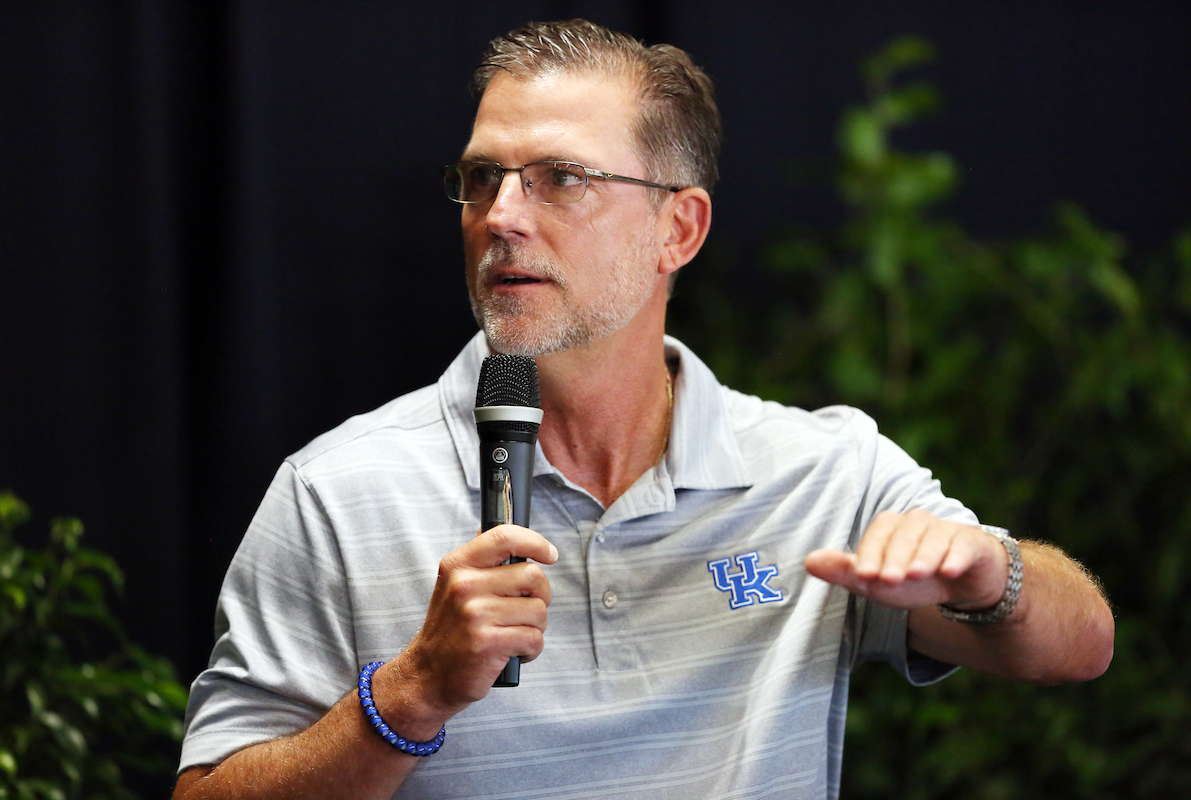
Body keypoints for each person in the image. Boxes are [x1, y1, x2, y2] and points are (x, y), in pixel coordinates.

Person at [172, 19, 1114, 800]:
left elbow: (1080, 648)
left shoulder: (823, 475)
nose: (500, 215)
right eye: (482, 177)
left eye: (560, 178)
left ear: (680, 228)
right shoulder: (336, 493)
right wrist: (412, 693)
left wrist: (989, 572)